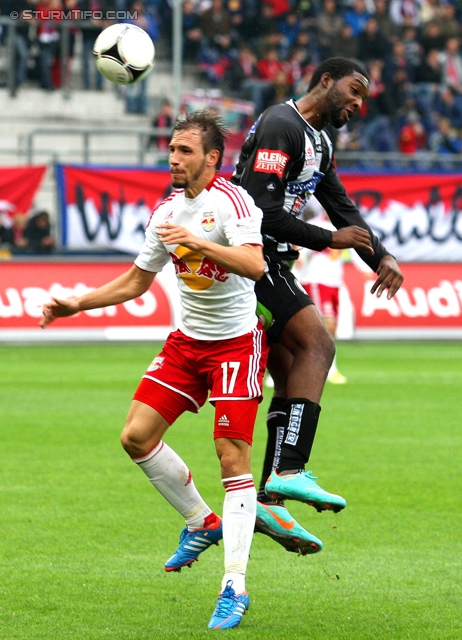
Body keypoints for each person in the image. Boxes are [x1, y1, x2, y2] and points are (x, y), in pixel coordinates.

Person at [40, 110, 268, 631]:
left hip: (236, 344)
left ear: (212, 158)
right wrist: (76, 304)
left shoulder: (233, 202)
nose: (173, 158)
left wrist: (198, 245)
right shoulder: (166, 210)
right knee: (135, 436)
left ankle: (234, 585)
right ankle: (200, 520)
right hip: (188, 342)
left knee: (231, 458)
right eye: (171, 149)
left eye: (185, 151)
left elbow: (255, 265)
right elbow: (136, 281)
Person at [231, 57, 403, 555]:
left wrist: (381, 256)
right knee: (318, 347)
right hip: (251, 261)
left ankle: (268, 498)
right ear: (325, 81)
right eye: (353, 90)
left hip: (274, 260)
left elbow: (341, 204)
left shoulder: (320, 140)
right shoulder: (281, 124)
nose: (357, 103)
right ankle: (290, 469)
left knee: (289, 375)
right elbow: (261, 210)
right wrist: (329, 239)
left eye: (364, 98)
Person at [293, 200, 373, 384]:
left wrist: (365, 269)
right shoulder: (316, 224)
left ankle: (326, 367)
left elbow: (355, 250)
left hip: (334, 282)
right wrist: (300, 256)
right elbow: (300, 244)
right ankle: (326, 369)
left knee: (329, 327)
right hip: (315, 280)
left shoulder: (346, 228)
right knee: (326, 324)